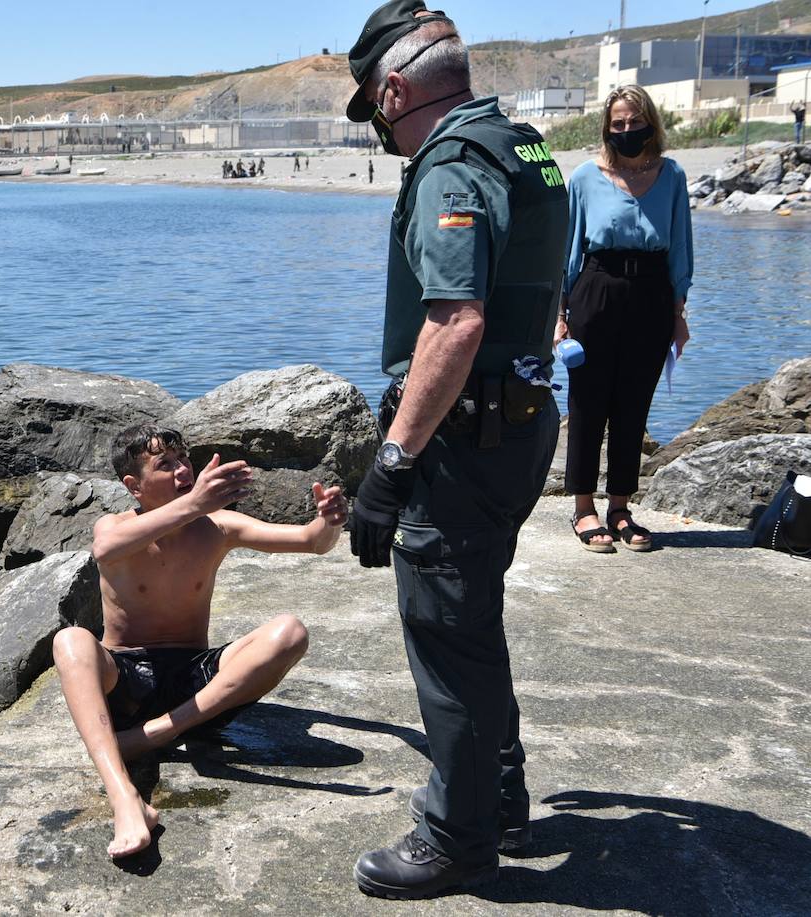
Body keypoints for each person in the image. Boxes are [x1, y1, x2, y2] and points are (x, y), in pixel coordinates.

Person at [343, 0, 568, 898]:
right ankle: (496, 793)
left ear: (395, 90)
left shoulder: (450, 167)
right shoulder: (523, 145)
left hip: (462, 439)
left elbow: (455, 321)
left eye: (373, 112)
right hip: (518, 423)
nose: (381, 134)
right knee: (472, 619)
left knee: (444, 629)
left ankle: (458, 837)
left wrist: (392, 465)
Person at [53, 424, 347, 859]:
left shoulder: (218, 527)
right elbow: (106, 550)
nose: (181, 469)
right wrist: (193, 503)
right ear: (134, 486)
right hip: (127, 681)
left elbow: (310, 543)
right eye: (164, 464)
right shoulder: (113, 526)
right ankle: (125, 799)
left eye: (183, 459)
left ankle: (152, 737)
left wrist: (328, 521)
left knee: (290, 633)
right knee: (71, 640)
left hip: (197, 681)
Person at [557, 84, 693, 553]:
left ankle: (619, 507)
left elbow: (680, 247)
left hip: (653, 294)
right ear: (606, 127)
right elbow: (567, 248)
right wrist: (561, 314)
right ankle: (582, 508)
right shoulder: (584, 177)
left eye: (635, 122)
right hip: (596, 287)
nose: (628, 130)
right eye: (619, 124)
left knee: (634, 405)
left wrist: (679, 312)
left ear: (651, 124)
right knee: (588, 403)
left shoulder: (671, 175)